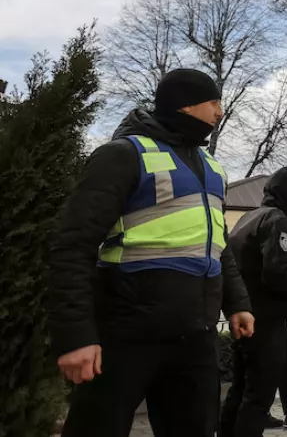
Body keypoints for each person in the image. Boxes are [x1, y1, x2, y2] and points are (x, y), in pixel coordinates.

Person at [50, 69, 254, 437]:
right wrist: (76, 337)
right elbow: (72, 246)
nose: (220, 112)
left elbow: (215, 244)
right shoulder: (122, 155)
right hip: (126, 334)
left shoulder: (211, 167)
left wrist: (237, 303)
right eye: (214, 102)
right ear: (187, 106)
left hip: (195, 336)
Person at [221, 167, 287, 437]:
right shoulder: (280, 223)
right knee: (258, 395)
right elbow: (279, 272)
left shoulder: (249, 218)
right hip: (266, 319)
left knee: (240, 389)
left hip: (244, 315)